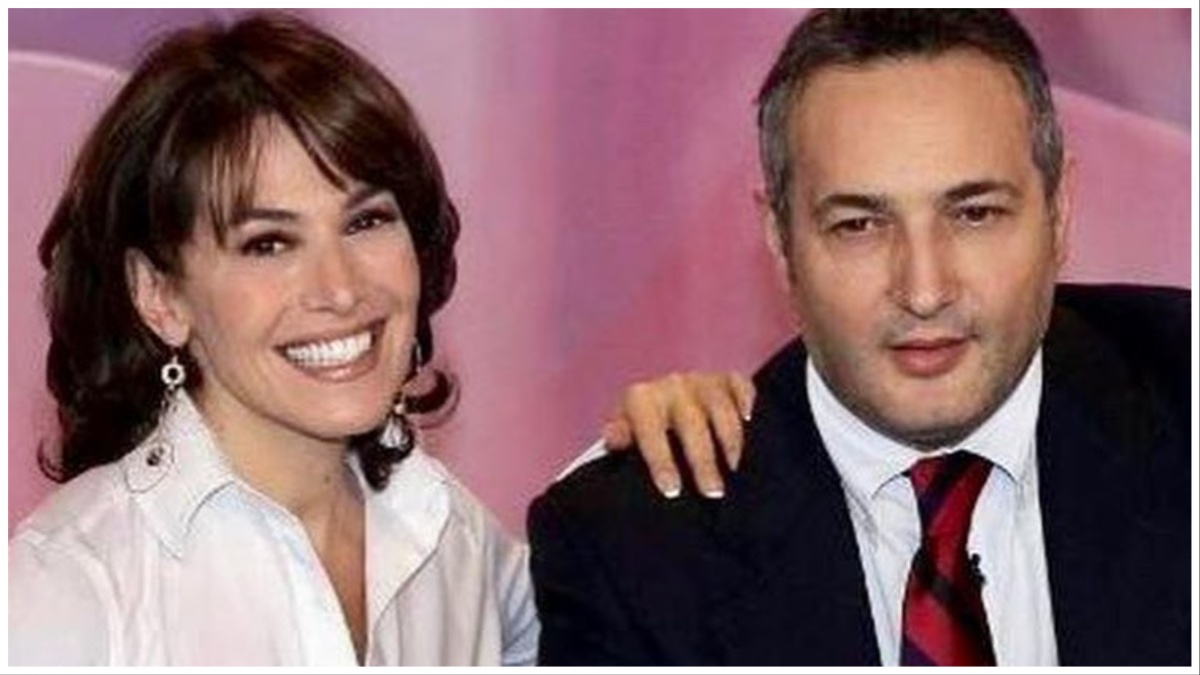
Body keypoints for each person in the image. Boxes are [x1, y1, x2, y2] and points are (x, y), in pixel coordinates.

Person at [7, 12, 750, 666]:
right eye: (269, 243)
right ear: (160, 296)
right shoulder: (73, 585)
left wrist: (661, 431)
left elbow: (606, 608)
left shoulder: (449, 536)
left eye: (366, 221)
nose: (340, 288)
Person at [530, 9, 1191, 666]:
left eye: (975, 214)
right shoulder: (633, 551)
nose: (924, 290)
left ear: (1059, 213)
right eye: (859, 226)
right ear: (780, 242)